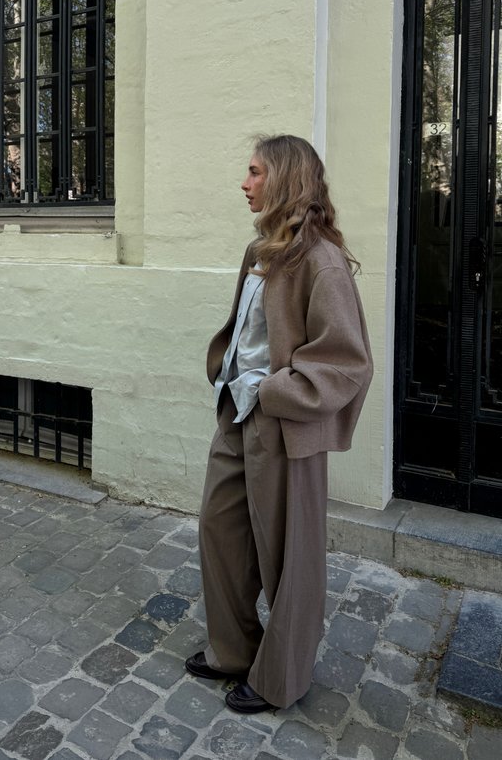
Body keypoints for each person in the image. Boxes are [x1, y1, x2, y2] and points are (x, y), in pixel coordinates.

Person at [185, 134, 373, 713]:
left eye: (255, 172)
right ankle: (233, 649)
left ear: (287, 179)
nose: (244, 184)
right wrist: (227, 373)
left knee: (291, 558)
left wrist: (271, 391)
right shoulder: (260, 250)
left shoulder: (323, 261)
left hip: (285, 426)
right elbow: (249, 332)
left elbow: (347, 363)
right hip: (237, 415)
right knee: (220, 530)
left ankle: (281, 678)